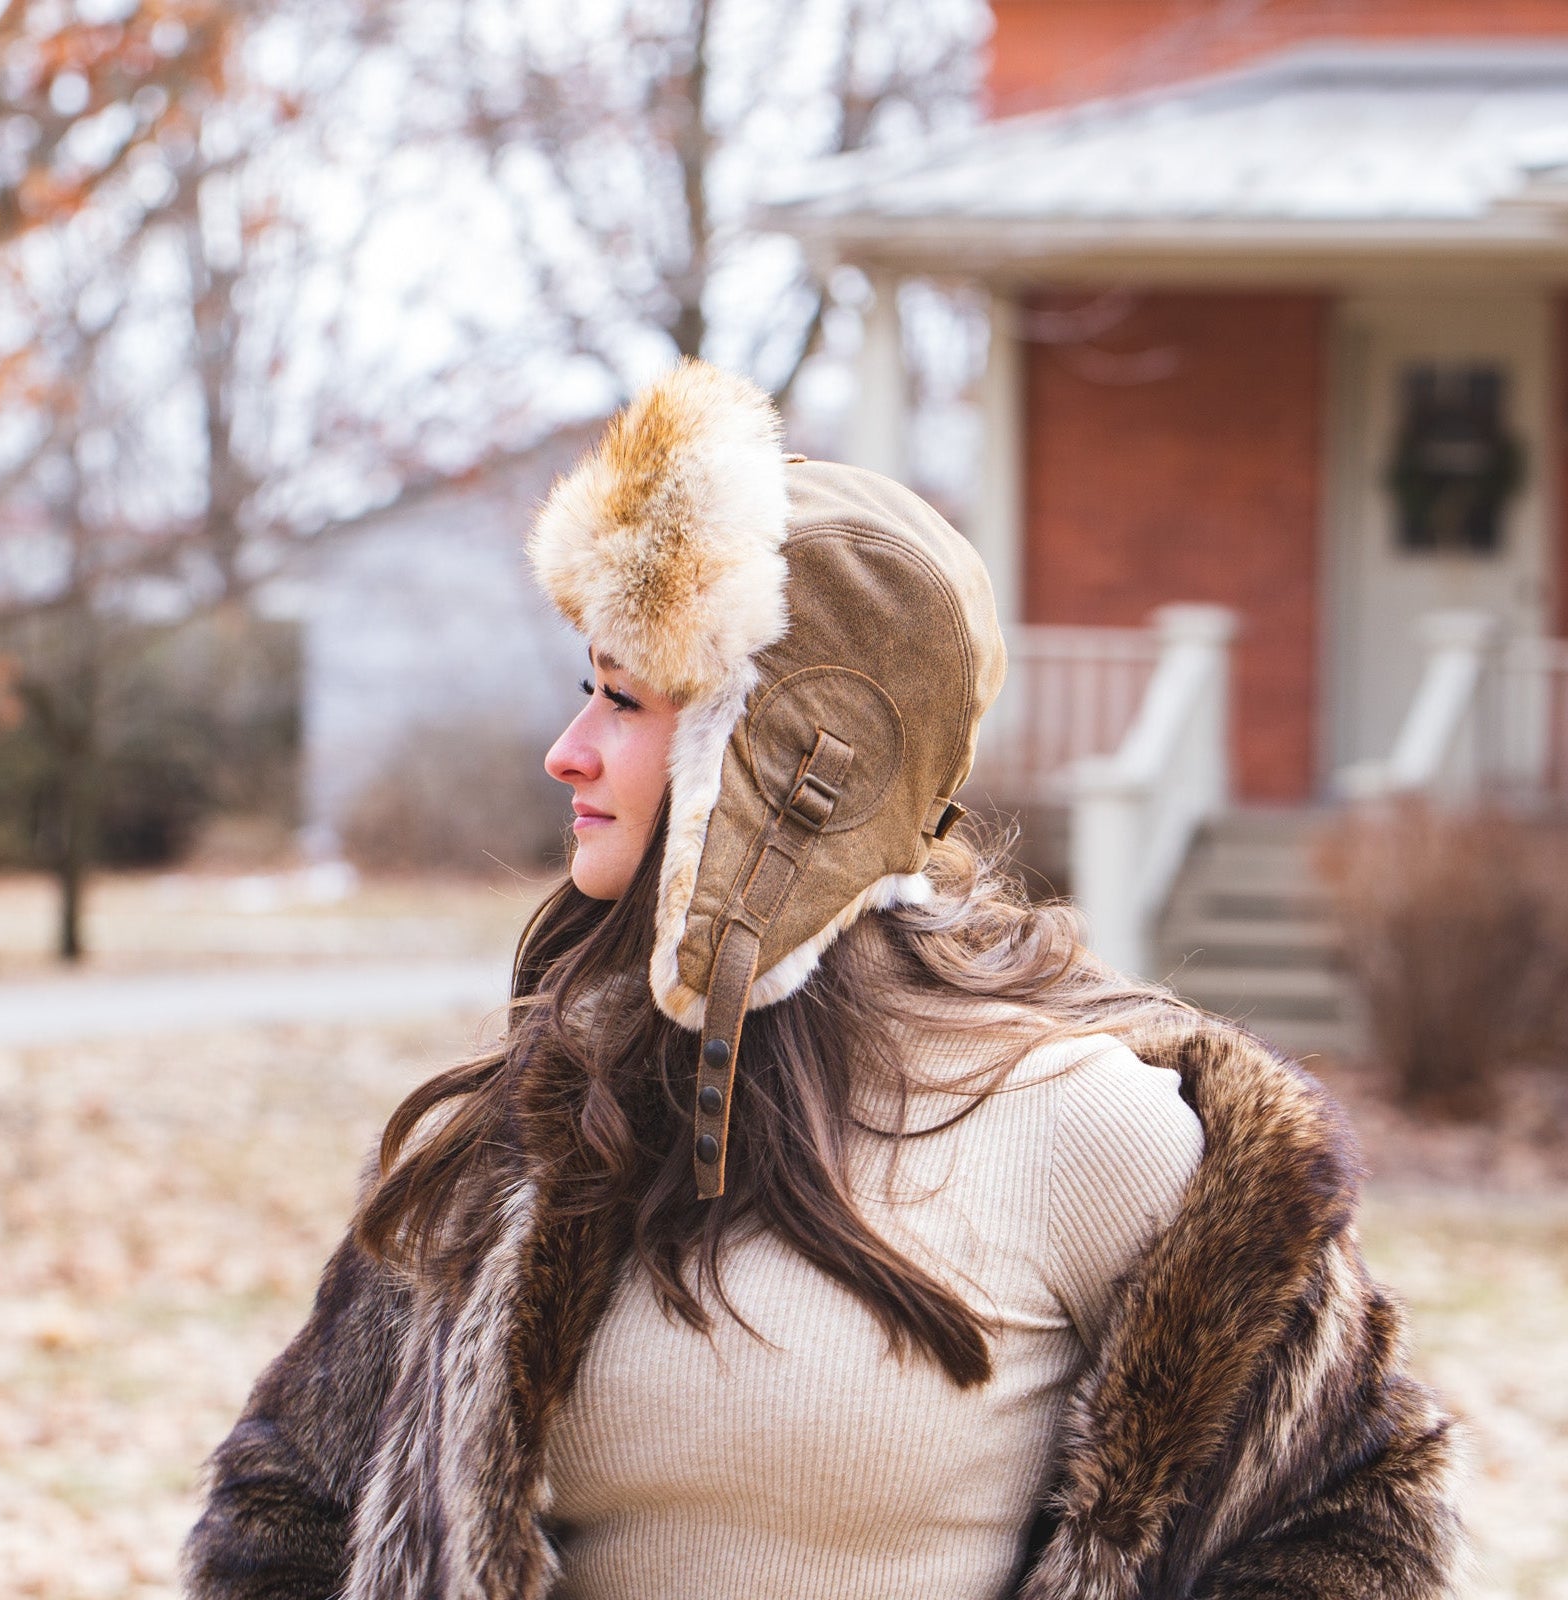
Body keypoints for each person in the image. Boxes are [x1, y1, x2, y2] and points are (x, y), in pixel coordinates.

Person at [183, 360, 1463, 1600]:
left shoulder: (1085, 1126)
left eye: (625, 704)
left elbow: (1355, 1516)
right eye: (590, 693)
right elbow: (291, 1495)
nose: (567, 753)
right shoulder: (528, 1127)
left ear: (798, 761)